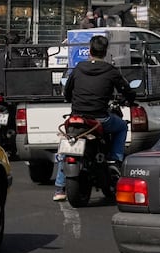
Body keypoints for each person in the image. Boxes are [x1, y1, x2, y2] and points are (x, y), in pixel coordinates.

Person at [53, 34, 138, 201]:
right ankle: (114, 161)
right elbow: (126, 90)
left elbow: (67, 92)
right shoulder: (111, 71)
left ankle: (59, 188)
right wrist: (130, 100)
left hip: (76, 118)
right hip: (100, 119)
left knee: (68, 145)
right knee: (122, 126)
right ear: (105, 52)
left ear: (89, 51)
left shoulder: (78, 69)